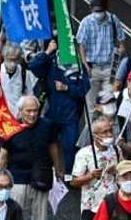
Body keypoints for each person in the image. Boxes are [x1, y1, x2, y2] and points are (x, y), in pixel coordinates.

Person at [0, 96, 64, 220]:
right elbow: (3, 155)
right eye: (29, 111)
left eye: (35, 110)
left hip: (40, 177)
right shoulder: (10, 127)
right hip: (16, 178)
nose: (33, 114)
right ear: (20, 111)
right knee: (12, 216)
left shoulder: (47, 126)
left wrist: (58, 168)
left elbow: (53, 148)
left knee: (40, 217)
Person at [28, 40, 90, 175]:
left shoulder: (79, 68)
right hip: (52, 114)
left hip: (70, 117)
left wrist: (67, 88)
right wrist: (48, 51)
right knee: (44, 143)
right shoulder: (52, 62)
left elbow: (84, 89)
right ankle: (46, 171)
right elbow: (32, 65)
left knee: (70, 147)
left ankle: (68, 175)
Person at [74, 0, 126, 111]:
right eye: (96, 11)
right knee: (91, 105)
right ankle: (93, 128)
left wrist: (121, 49)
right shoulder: (86, 22)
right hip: (92, 67)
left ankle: (109, 126)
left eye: (100, 10)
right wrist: (85, 65)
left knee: (109, 103)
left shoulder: (112, 19)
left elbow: (121, 39)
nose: (99, 13)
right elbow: (81, 45)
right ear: (91, 10)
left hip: (110, 67)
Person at [0, 43, 39, 119]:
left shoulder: (24, 73)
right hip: (1, 117)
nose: (13, 63)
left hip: (19, 118)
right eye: (10, 59)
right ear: (4, 57)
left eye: (15, 60)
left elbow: (30, 94)